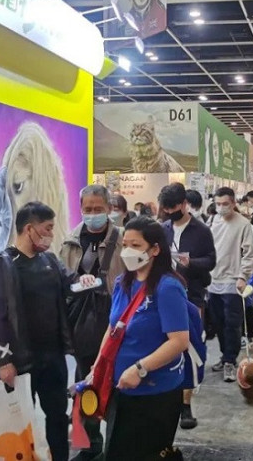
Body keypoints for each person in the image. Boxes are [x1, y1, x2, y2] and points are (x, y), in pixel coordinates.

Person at [0, 202, 96, 461]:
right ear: (29, 229)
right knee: (22, 423)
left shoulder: (49, 260)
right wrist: (3, 361)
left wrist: (84, 281)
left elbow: (70, 283)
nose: (50, 234)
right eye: (47, 228)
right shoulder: (1, 266)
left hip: (53, 358)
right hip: (21, 361)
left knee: (57, 416)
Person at [104, 216, 189, 460]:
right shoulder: (123, 282)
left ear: (155, 249)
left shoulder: (167, 287)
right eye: (125, 245)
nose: (128, 251)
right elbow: (112, 328)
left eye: (136, 245)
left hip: (155, 392)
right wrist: (100, 364)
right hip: (122, 389)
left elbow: (179, 341)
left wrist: (140, 368)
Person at [59, 185, 125, 460]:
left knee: (119, 385)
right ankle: (90, 443)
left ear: (109, 208)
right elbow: (63, 280)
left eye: (98, 209)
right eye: (88, 209)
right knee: (86, 383)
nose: (93, 214)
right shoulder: (71, 241)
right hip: (83, 324)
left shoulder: (124, 239)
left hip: (117, 322)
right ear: (81, 209)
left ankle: (118, 444)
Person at [158, 183, 216, 430]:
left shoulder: (201, 230)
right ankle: (167, 397)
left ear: (184, 204)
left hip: (192, 296)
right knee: (165, 345)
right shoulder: (162, 229)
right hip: (165, 296)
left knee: (190, 347)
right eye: (167, 209)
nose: (171, 212)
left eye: (174, 207)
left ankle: (186, 404)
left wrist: (190, 262)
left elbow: (211, 261)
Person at [208, 187, 253, 382]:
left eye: (225, 204)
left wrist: (243, 276)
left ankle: (230, 360)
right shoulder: (211, 222)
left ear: (233, 203)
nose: (221, 207)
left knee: (232, 323)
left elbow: (249, 253)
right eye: (218, 204)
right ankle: (224, 355)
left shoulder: (243, 224)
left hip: (233, 281)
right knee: (218, 322)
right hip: (213, 280)